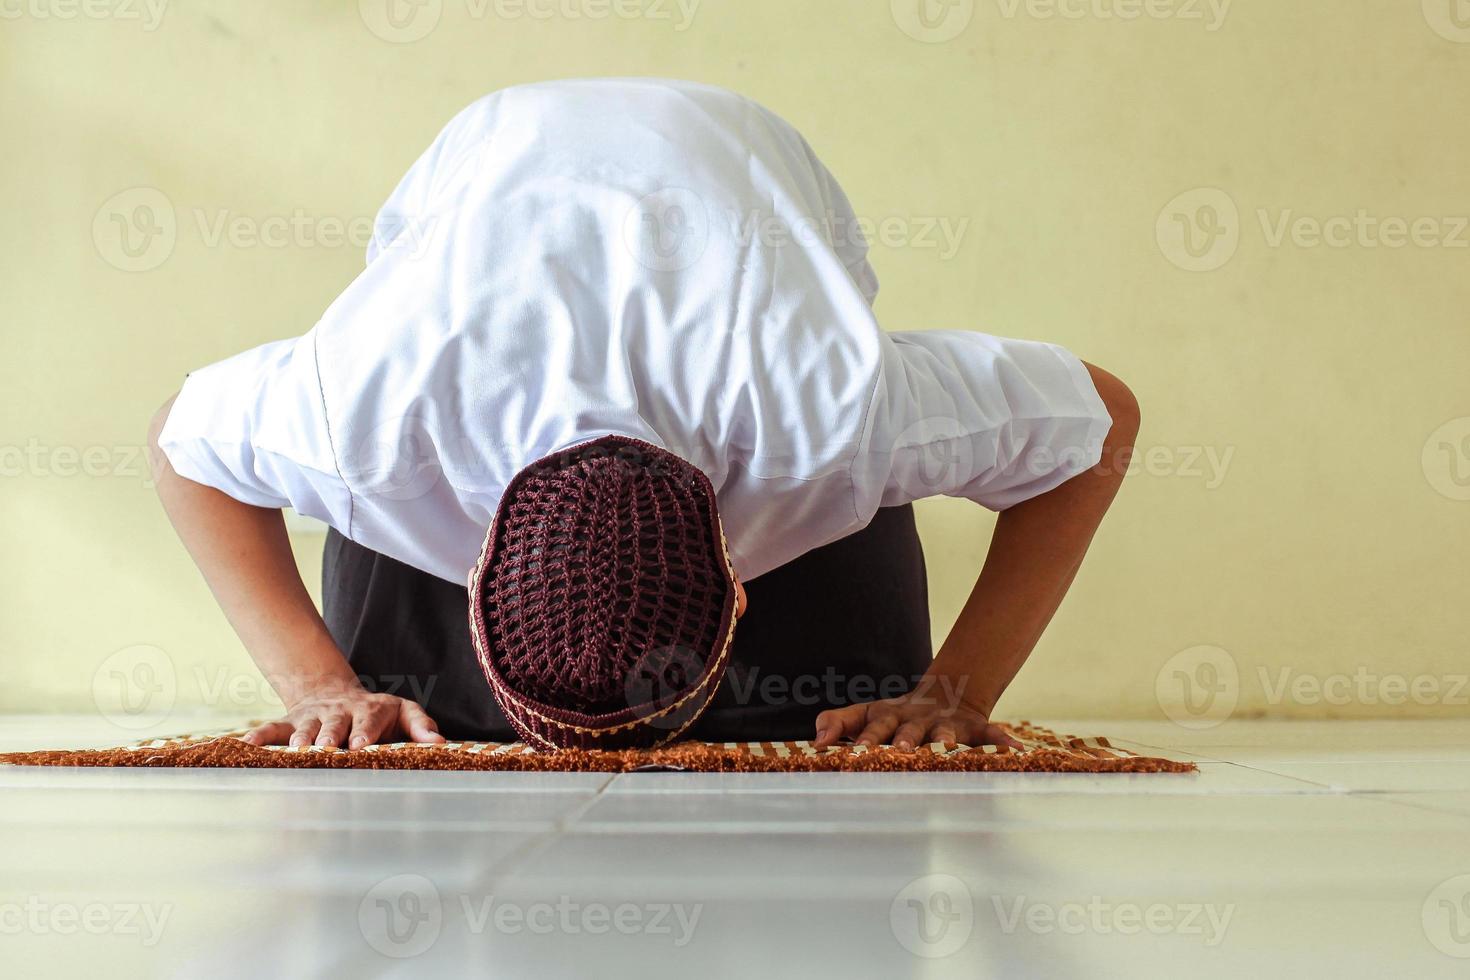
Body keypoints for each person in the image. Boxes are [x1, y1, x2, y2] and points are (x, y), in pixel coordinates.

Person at [145, 77, 1138, 751]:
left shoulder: (833, 416)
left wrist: (955, 694)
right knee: (429, 716)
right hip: (490, 191)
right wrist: (318, 687)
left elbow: (1101, 418)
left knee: (804, 711)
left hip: (738, 187)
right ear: (472, 560)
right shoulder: (371, 415)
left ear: (743, 585)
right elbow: (180, 449)